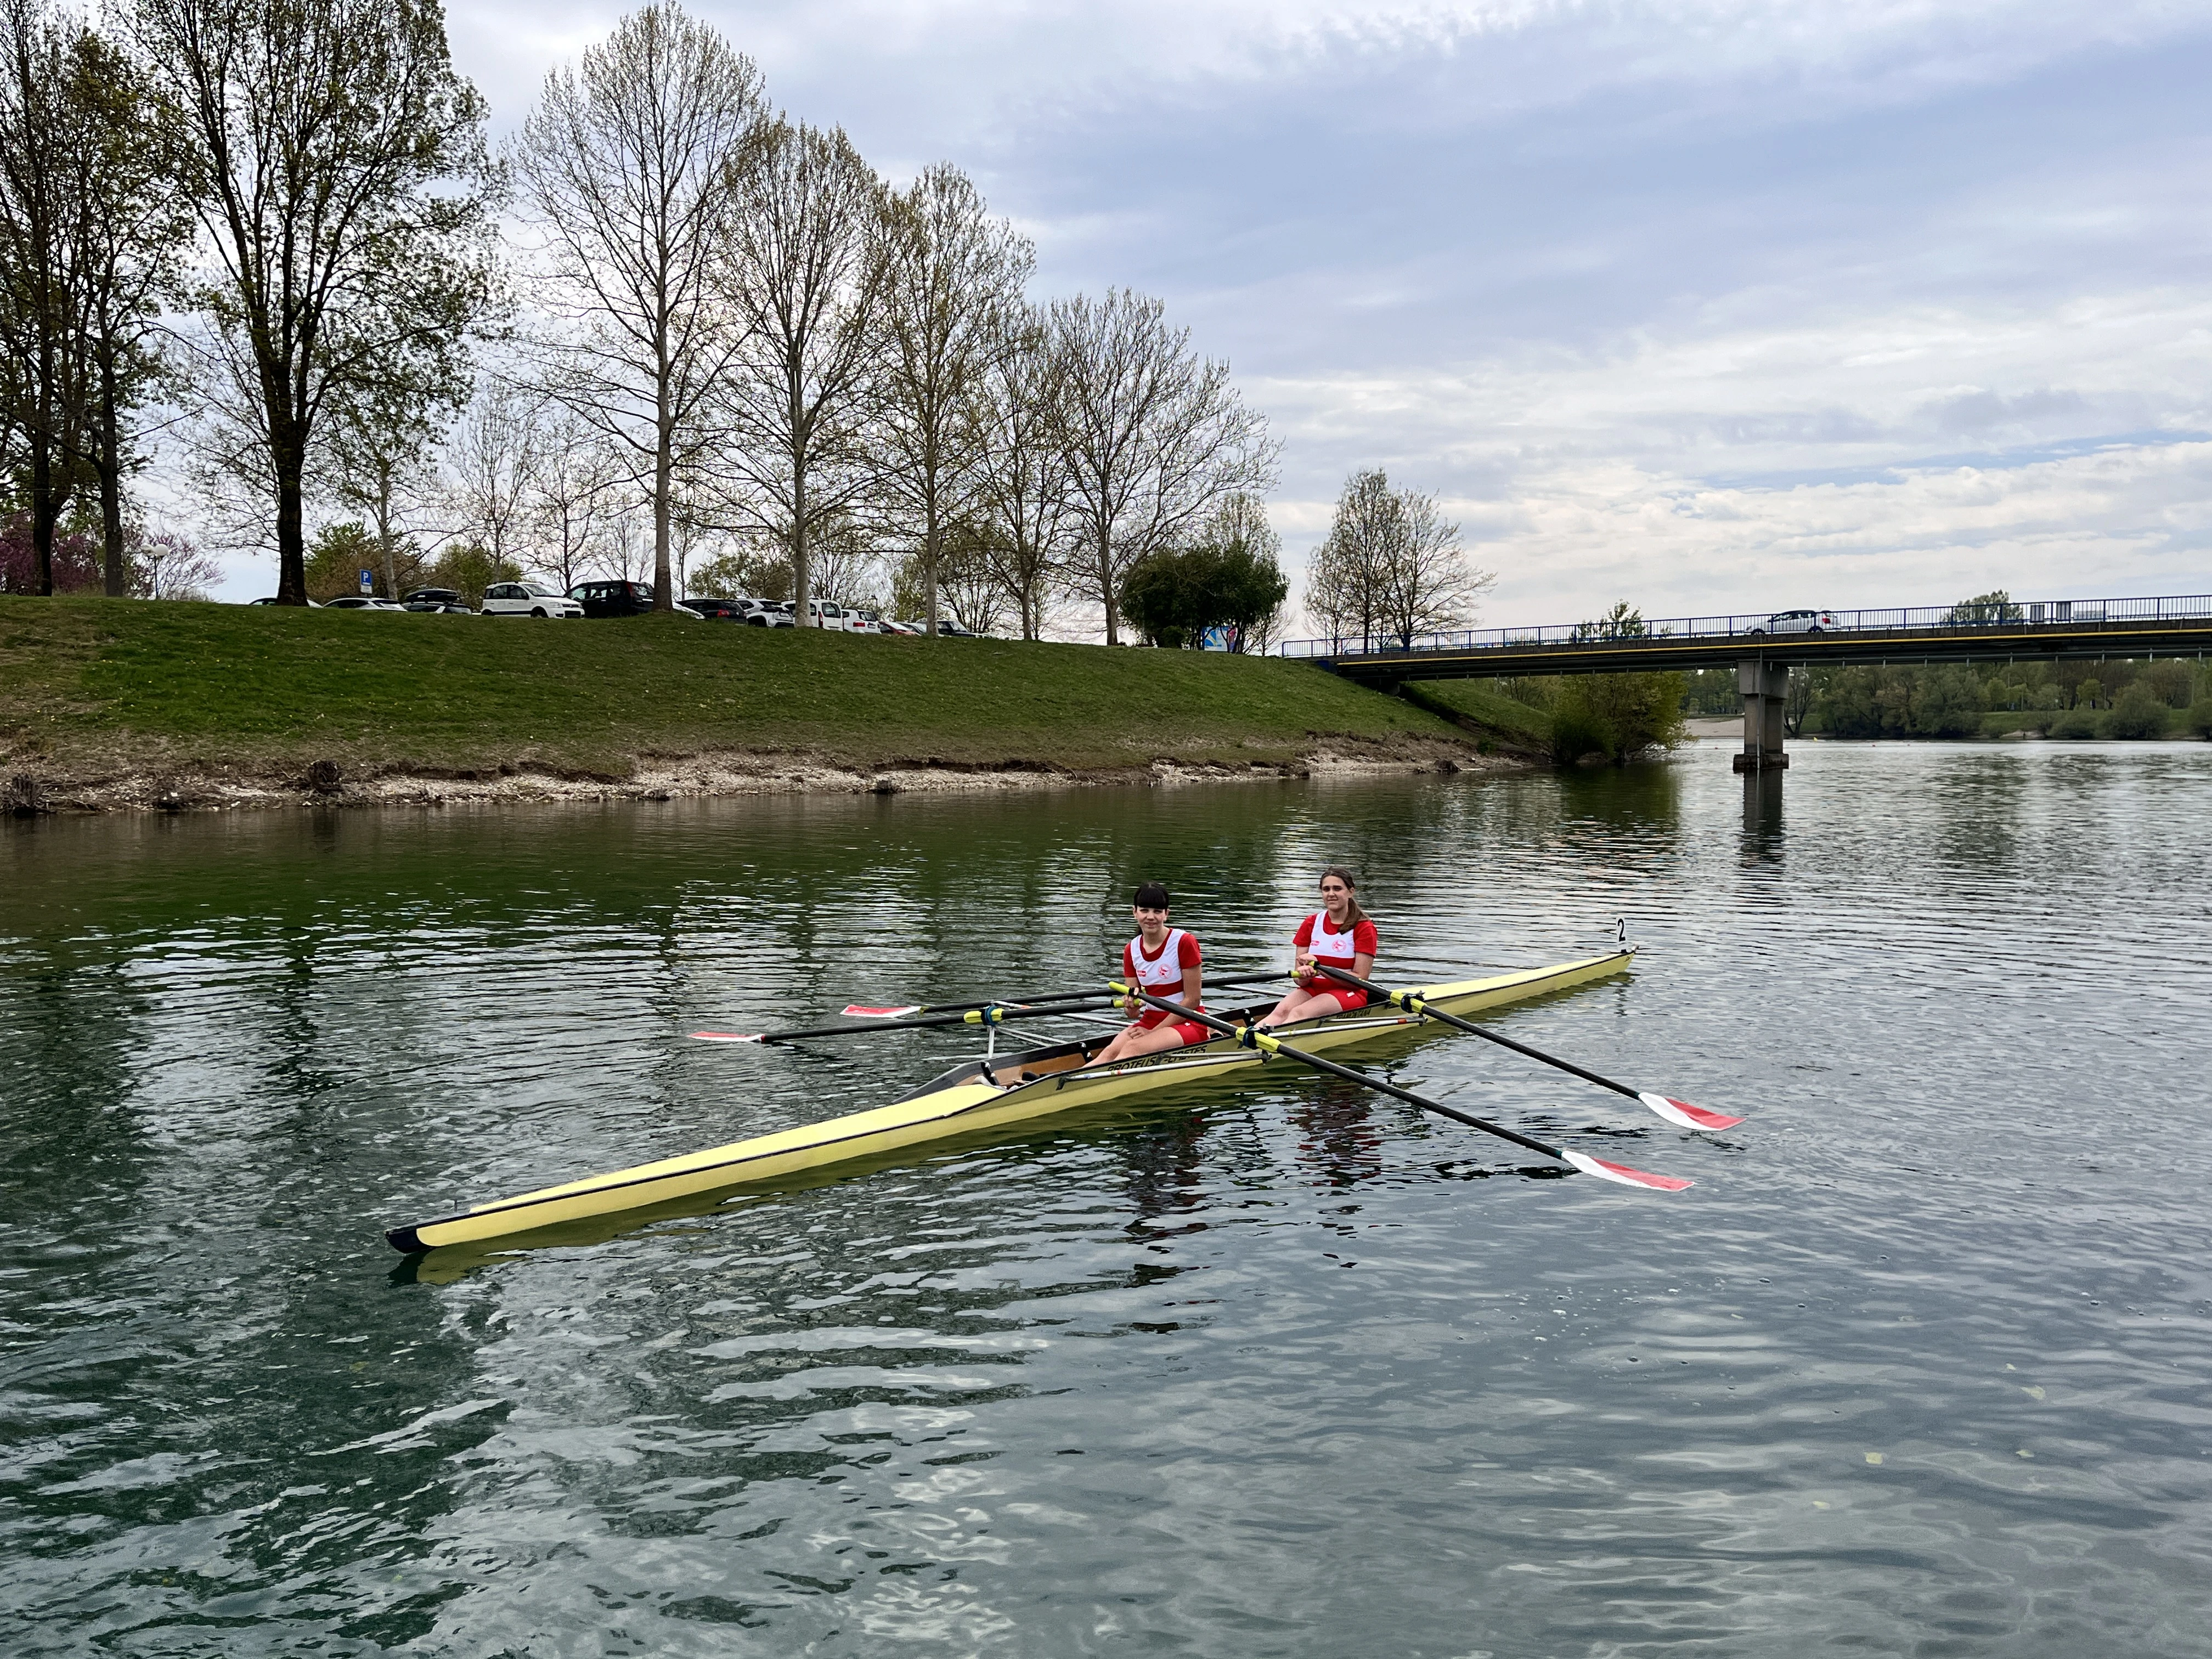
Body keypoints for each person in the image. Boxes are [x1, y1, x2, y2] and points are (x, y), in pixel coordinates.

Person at [1085, 881, 1210, 1067]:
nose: (1150, 917)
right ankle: (1058, 1084)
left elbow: (1192, 1000)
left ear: (1166, 914)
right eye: (1145, 911)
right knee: (1109, 1052)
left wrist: (1153, 1033)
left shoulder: (1184, 942)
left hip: (1190, 1021)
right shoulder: (1131, 950)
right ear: (1135, 912)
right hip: (1150, 1020)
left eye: (1157, 912)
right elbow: (1133, 1010)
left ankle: (1092, 1087)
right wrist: (1131, 1007)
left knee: (1132, 1048)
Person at [1258, 866, 1378, 1027]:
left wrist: (1319, 968)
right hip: (1313, 989)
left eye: (1337, 889)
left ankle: (1266, 1047)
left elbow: (1360, 979)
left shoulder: (1363, 928)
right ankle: (1248, 1041)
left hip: (1350, 992)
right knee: (1281, 1013)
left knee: (1298, 1013)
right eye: (1326, 889)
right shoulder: (1311, 924)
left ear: (1350, 892)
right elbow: (1299, 981)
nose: (1331, 894)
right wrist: (1303, 975)